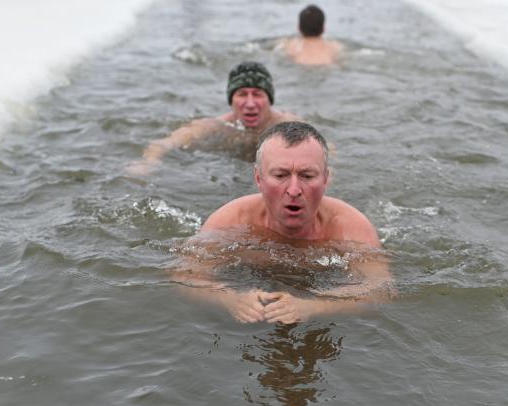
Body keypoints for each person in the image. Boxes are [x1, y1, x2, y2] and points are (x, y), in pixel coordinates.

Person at [173, 121, 391, 324]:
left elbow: (381, 290)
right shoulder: (230, 221)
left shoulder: (349, 228)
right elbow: (185, 275)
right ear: (258, 178)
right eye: (281, 175)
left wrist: (315, 306)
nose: (294, 190)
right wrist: (229, 299)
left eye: (307, 175)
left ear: (325, 179)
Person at [127, 62, 297, 175]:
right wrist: (148, 162)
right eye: (242, 94)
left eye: (257, 94)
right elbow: (166, 142)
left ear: (269, 99)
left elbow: (320, 147)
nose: (250, 103)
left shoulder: (286, 124)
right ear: (231, 100)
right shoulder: (215, 125)